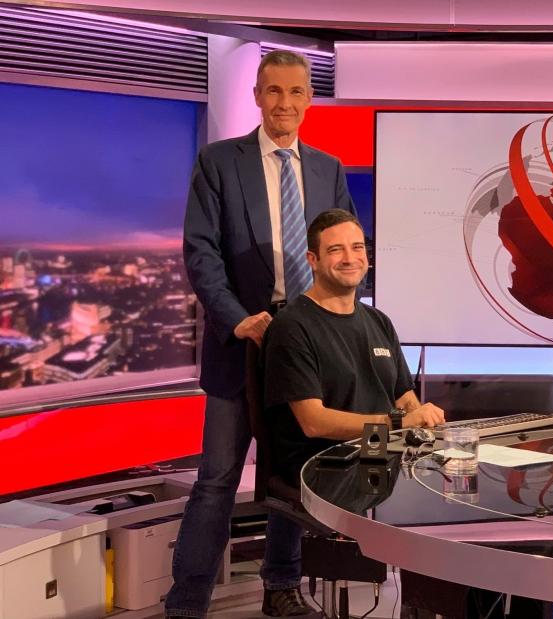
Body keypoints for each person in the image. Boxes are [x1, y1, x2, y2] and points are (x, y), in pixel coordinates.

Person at [166, 50, 355, 619]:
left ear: (309, 100)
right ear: (256, 95)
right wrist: (236, 318)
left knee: (292, 478)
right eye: (274, 92)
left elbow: (341, 254)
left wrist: (335, 326)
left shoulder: (328, 169)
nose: (285, 104)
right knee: (217, 479)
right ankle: (187, 603)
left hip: (303, 350)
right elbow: (200, 252)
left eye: (296, 93)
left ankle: (281, 588)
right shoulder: (220, 162)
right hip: (241, 343)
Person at [260, 208, 446, 602]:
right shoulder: (293, 327)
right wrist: (398, 422)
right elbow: (313, 422)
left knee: (455, 487)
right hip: (325, 465)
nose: (350, 258)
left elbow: (404, 395)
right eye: (336, 250)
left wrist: (423, 417)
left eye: (358, 247)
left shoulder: (378, 321)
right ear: (313, 260)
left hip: (380, 456)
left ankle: (435, 604)